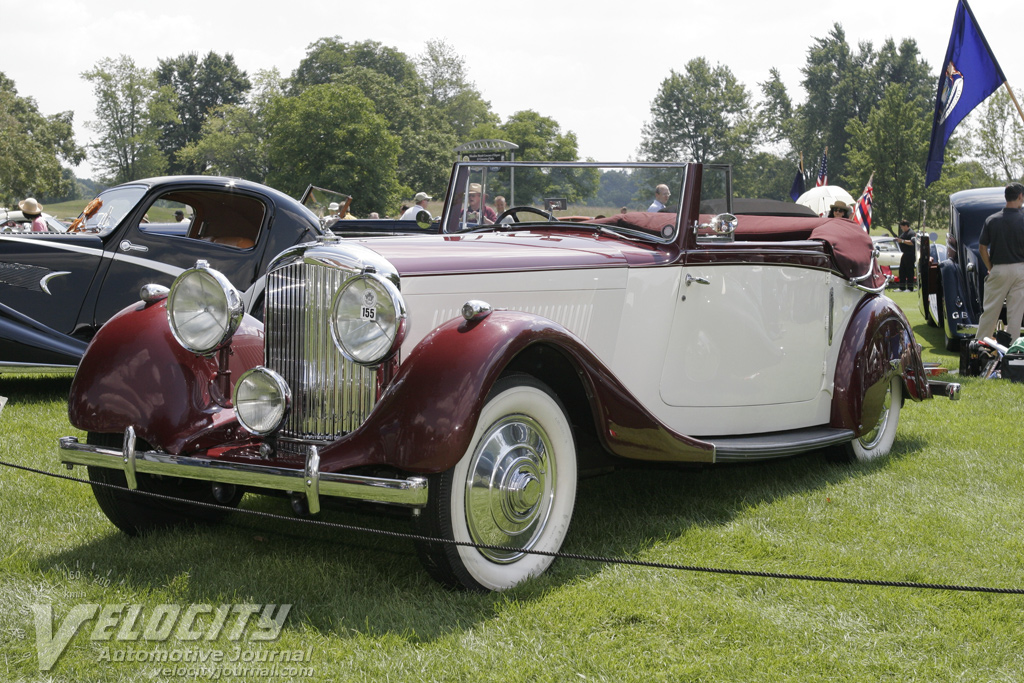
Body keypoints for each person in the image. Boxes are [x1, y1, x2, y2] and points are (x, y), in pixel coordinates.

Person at [976, 182, 1024, 341]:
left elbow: (982, 248)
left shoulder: (992, 219)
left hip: (999, 268)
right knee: (1016, 314)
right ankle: (1012, 349)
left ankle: (981, 346)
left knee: (990, 311)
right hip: (1021, 269)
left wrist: (990, 267)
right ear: (1020, 196)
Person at [896, 219, 916, 291]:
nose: (901, 228)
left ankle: (910, 288)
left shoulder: (911, 233)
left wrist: (902, 241)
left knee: (909, 271)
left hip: (910, 254)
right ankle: (902, 287)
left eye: (902, 226)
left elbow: (912, 242)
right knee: (902, 271)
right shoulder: (904, 233)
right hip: (904, 254)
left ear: (906, 226)